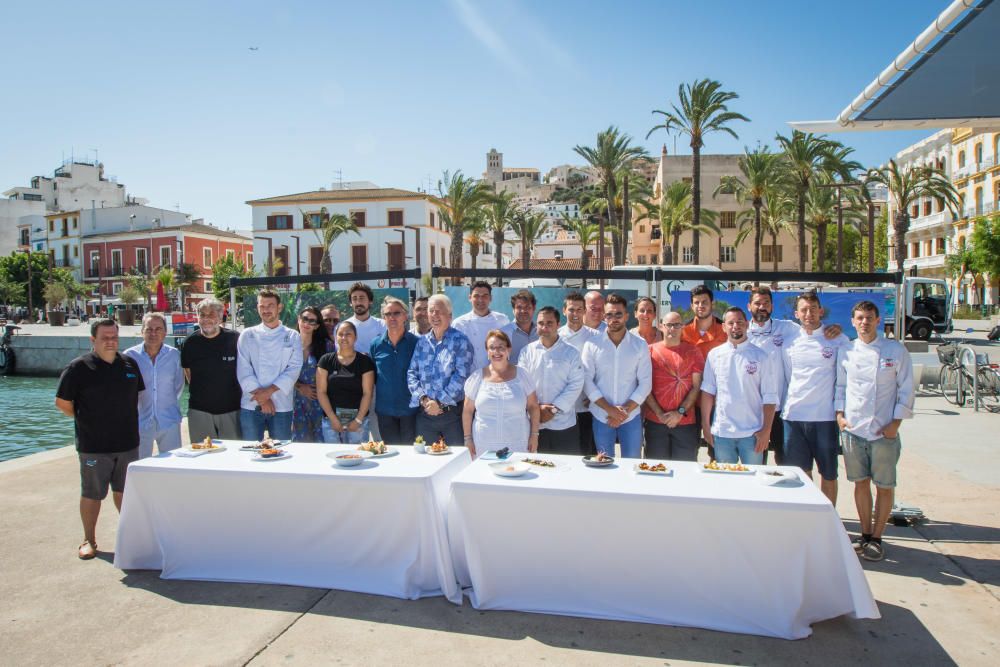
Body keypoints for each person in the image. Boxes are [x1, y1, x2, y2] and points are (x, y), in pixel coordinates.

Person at [55, 318, 144, 560]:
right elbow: (62, 403)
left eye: (114, 336)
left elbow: (136, 397)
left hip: (127, 443)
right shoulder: (78, 368)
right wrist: (87, 419)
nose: (110, 341)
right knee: (92, 493)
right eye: (105, 337)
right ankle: (89, 539)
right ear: (93, 340)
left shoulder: (129, 364)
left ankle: (131, 538)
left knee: (125, 492)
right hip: (93, 446)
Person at [835, 300, 914, 562]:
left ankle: (878, 537)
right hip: (853, 430)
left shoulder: (895, 350)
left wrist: (895, 424)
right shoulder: (846, 351)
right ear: (853, 321)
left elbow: (906, 390)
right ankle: (865, 534)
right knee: (860, 484)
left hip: (883, 431)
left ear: (878, 320)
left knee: (884, 486)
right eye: (859, 318)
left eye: (869, 317)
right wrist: (840, 416)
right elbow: (840, 387)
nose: (864, 322)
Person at [746, 285, 843, 465]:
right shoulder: (741, 332)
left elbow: (813, 329)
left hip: (780, 409)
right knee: (755, 461)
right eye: (757, 303)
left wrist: (835, 328)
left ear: (772, 306)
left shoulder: (788, 328)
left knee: (785, 462)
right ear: (749, 306)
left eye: (766, 303)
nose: (762, 307)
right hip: (751, 409)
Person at [781, 292, 850, 504]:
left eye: (813, 309)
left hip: (825, 418)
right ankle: (809, 515)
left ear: (821, 311)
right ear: (796, 314)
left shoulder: (838, 339)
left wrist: (840, 411)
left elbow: (843, 380)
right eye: (803, 310)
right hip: (793, 417)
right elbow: (788, 376)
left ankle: (829, 517)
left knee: (829, 473)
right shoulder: (789, 341)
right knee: (801, 473)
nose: (808, 314)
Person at [700, 307, 779, 465]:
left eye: (740, 322)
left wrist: (766, 431)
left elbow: (770, 397)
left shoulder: (761, 356)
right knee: (726, 482)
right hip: (722, 432)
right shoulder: (714, 355)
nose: (735, 326)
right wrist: (706, 426)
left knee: (754, 483)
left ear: (747, 325)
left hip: (753, 433)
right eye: (731, 323)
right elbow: (708, 393)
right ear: (724, 327)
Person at [581, 294, 652, 458]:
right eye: (609, 315)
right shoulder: (592, 344)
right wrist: (610, 410)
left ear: (626, 316)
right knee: (604, 464)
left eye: (618, 314)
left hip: (631, 417)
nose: (614, 319)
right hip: (601, 416)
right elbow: (587, 381)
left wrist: (622, 412)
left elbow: (645, 383)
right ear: (604, 316)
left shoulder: (640, 345)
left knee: (632, 464)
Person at [407, 294, 475, 446]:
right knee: (426, 461)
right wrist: (424, 400)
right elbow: (412, 373)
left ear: (450, 316)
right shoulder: (422, 343)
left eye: (439, 311)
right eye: (431, 311)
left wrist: (439, 403)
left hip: (452, 416)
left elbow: (462, 376)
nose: (434, 315)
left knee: (456, 461)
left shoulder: (461, 341)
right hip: (425, 415)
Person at [236, 289, 303, 441]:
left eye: (270, 305)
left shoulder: (292, 336)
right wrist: (263, 399)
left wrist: (268, 393)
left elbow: (293, 369)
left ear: (279, 307)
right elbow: (243, 370)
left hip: (282, 406)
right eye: (262, 306)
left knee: (282, 451)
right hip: (251, 404)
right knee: (251, 451)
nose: (266, 310)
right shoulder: (247, 335)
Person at [518, 307, 585, 453]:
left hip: (564, 425)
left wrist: (554, 409)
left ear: (558, 324)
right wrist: (537, 408)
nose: (545, 327)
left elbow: (576, 384)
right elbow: (522, 384)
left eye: (549, 323)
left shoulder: (571, 352)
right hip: (534, 424)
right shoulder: (527, 352)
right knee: (537, 469)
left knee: (566, 469)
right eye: (541, 323)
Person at [463, 329, 541, 457]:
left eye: (501, 347)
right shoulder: (476, 378)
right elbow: (467, 410)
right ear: (487, 352)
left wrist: (534, 435)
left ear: (509, 350)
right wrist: (468, 439)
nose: (496, 351)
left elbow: (533, 407)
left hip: (518, 444)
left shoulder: (522, 375)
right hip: (483, 445)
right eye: (492, 348)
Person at [643, 311, 703, 462]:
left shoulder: (693, 351)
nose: (672, 329)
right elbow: (644, 386)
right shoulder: (649, 351)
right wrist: (659, 414)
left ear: (682, 327)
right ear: (662, 327)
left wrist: (679, 413)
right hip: (655, 422)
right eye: (669, 325)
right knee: (655, 469)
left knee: (685, 471)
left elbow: (696, 387)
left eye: (677, 325)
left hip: (685, 423)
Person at [181, 297, 243, 442]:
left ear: (220, 316)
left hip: (232, 410)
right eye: (202, 314)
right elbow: (189, 374)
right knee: (203, 458)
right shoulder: (190, 343)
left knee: (232, 457)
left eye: (211, 314)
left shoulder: (235, 339)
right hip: (199, 411)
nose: (206, 318)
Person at [124, 312, 184, 458]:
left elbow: (178, 386)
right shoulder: (129, 356)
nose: (153, 333)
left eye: (158, 329)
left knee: (172, 466)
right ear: (142, 331)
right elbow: (125, 390)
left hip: (169, 420)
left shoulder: (174, 355)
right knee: (139, 466)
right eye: (149, 329)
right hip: (139, 422)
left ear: (165, 332)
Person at [316, 321, 376, 444]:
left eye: (348, 334)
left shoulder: (365, 362)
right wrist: (333, 419)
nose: (344, 337)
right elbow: (321, 392)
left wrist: (358, 420)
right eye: (340, 334)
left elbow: (367, 393)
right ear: (335, 337)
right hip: (331, 421)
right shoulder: (325, 361)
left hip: (358, 423)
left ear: (355, 337)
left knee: (357, 458)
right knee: (333, 458)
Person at [371, 297, 419, 445]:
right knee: (392, 453)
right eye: (388, 314)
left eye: (396, 313)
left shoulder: (417, 343)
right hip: (385, 410)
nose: (392, 317)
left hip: (411, 410)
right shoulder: (376, 345)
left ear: (405, 315)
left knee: (411, 454)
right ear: (383, 317)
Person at [559, 292, 598, 455]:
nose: (575, 314)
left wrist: (594, 396)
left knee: (587, 452)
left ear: (584, 311)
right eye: (571, 309)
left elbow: (601, 370)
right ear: (564, 311)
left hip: (587, 407)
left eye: (579, 310)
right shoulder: (556, 336)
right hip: (562, 408)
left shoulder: (596, 336)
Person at [292, 306, 334, 442]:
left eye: (312, 321)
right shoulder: (288, 345)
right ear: (298, 319)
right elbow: (279, 372)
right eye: (305, 319)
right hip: (295, 403)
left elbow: (334, 374)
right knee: (300, 447)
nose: (307, 324)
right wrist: (300, 387)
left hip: (320, 403)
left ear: (317, 326)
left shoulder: (327, 346)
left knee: (322, 444)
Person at [453, 281, 509, 370]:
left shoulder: (502, 320)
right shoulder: (459, 324)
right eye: (476, 296)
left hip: (496, 375)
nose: (480, 300)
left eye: (485, 296)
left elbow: (507, 349)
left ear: (490, 298)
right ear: (470, 298)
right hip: (468, 377)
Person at [343, 282, 386, 355]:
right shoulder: (342, 327)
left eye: (361, 298)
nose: (358, 302)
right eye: (354, 298)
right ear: (350, 303)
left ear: (370, 301)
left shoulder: (383, 325)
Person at [681, 285, 725, 355]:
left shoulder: (725, 331)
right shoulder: (683, 332)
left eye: (704, 302)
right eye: (696, 302)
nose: (700, 305)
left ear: (712, 304)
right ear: (692, 306)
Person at [500, 289, 538, 363]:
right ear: (513, 310)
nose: (523, 311)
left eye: (527, 307)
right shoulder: (504, 334)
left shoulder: (541, 332)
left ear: (534, 309)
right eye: (519, 307)